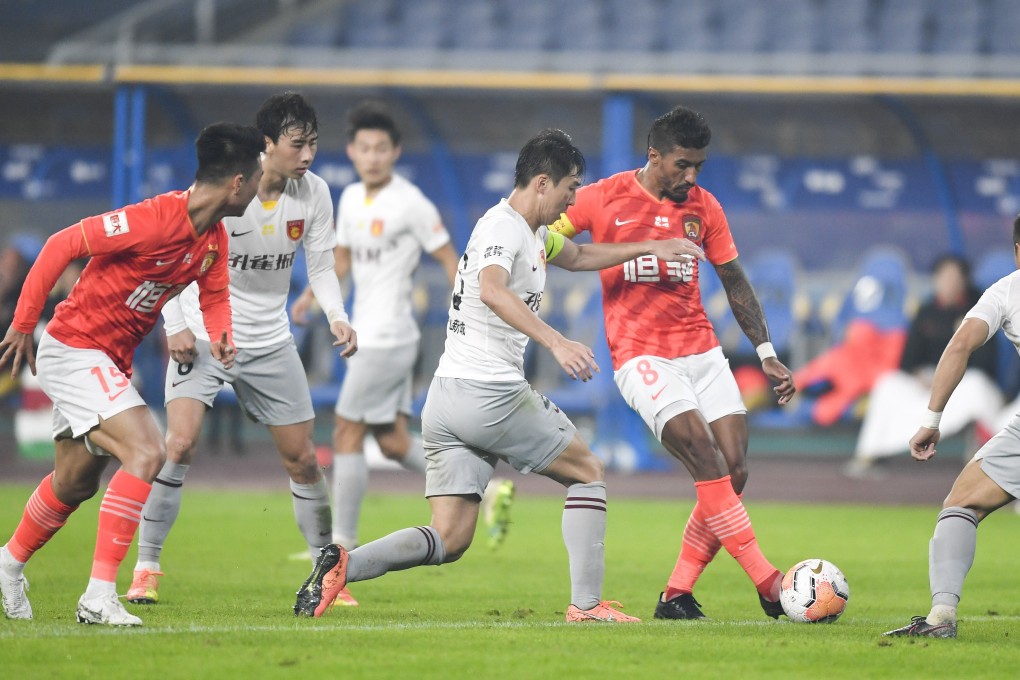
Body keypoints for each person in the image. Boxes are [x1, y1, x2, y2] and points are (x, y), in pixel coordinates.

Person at [292, 128, 704, 622]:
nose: (572, 201)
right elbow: (491, 289)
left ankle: (343, 565)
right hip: (489, 392)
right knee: (589, 473)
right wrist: (556, 341)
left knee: (450, 536)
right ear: (543, 183)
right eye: (571, 189)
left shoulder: (533, 233)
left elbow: (578, 256)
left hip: (447, 400)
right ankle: (587, 606)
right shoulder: (502, 227)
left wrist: (650, 247)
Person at [0, 122, 264, 626]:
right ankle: (99, 596)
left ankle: (8, 562)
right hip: (75, 347)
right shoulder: (153, 219)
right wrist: (22, 323)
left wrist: (222, 332)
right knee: (148, 449)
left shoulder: (212, 238)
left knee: (74, 483)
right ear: (237, 182)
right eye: (255, 179)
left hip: (106, 359)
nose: (258, 190)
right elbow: (61, 244)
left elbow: (214, 294)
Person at [549, 105, 797, 620]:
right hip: (641, 356)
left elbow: (735, 281)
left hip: (702, 351)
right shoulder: (602, 199)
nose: (691, 176)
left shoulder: (704, 207)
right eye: (682, 164)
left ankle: (676, 594)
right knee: (705, 457)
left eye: (699, 166)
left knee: (733, 469)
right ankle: (769, 582)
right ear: (654, 155)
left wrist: (767, 353)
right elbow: (548, 240)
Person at [125, 93, 356, 607]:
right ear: (267, 144)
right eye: (298, 144)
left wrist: (337, 317)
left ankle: (326, 576)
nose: (308, 155)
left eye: (314, 143)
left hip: (272, 341)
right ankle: (146, 567)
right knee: (178, 446)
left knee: (302, 460)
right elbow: (176, 255)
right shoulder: (228, 188)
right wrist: (175, 324)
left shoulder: (314, 192)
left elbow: (320, 266)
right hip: (205, 335)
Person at [290, 101, 515, 569]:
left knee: (347, 430)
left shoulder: (411, 201)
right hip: (364, 333)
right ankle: (489, 490)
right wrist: (313, 297)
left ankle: (339, 551)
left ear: (394, 153)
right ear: (352, 151)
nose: (371, 156)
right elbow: (344, 261)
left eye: (381, 148)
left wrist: (470, 312)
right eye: (364, 148)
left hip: (389, 335)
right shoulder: (350, 198)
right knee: (390, 440)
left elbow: (452, 259)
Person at [884, 215, 1020, 640]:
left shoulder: (1006, 291)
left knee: (961, 505)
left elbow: (960, 343)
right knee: (962, 501)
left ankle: (942, 617)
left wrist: (931, 421)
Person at [844, 254, 1001, 478]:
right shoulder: (926, 311)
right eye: (943, 277)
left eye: (954, 278)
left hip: (961, 385)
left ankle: (993, 458)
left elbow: (986, 363)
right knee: (888, 384)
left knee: (976, 386)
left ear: (964, 281)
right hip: (926, 384)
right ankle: (870, 456)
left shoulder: (980, 312)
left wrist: (947, 376)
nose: (948, 283)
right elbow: (908, 360)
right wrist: (921, 374)